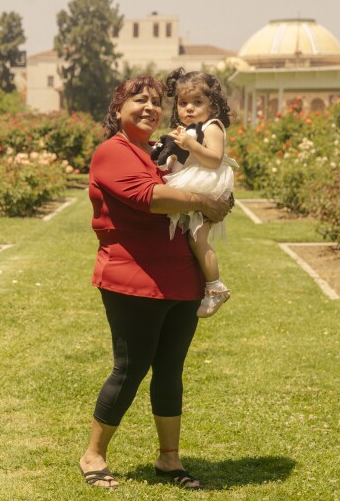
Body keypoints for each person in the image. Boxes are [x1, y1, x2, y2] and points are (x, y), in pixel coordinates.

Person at [79, 76, 230, 491]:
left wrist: (218, 200)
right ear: (117, 108)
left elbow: (205, 184)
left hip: (183, 278)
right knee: (130, 368)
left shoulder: (163, 152)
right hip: (133, 278)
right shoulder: (113, 153)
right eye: (138, 99)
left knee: (169, 370)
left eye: (155, 101)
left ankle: (169, 458)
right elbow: (153, 197)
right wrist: (206, 200)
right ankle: (93, 454)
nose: (149, 107)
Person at [159, 68, 238, 318]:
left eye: (197, 102)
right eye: (183, 103)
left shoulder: (212, 127)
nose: (189, 109)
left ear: (212, 106)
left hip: (207, 184)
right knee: (187, 237)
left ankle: (216, 287)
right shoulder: (187, 130)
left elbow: (214, 160)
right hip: (193, 182)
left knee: (198, 239)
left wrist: (191, 145)